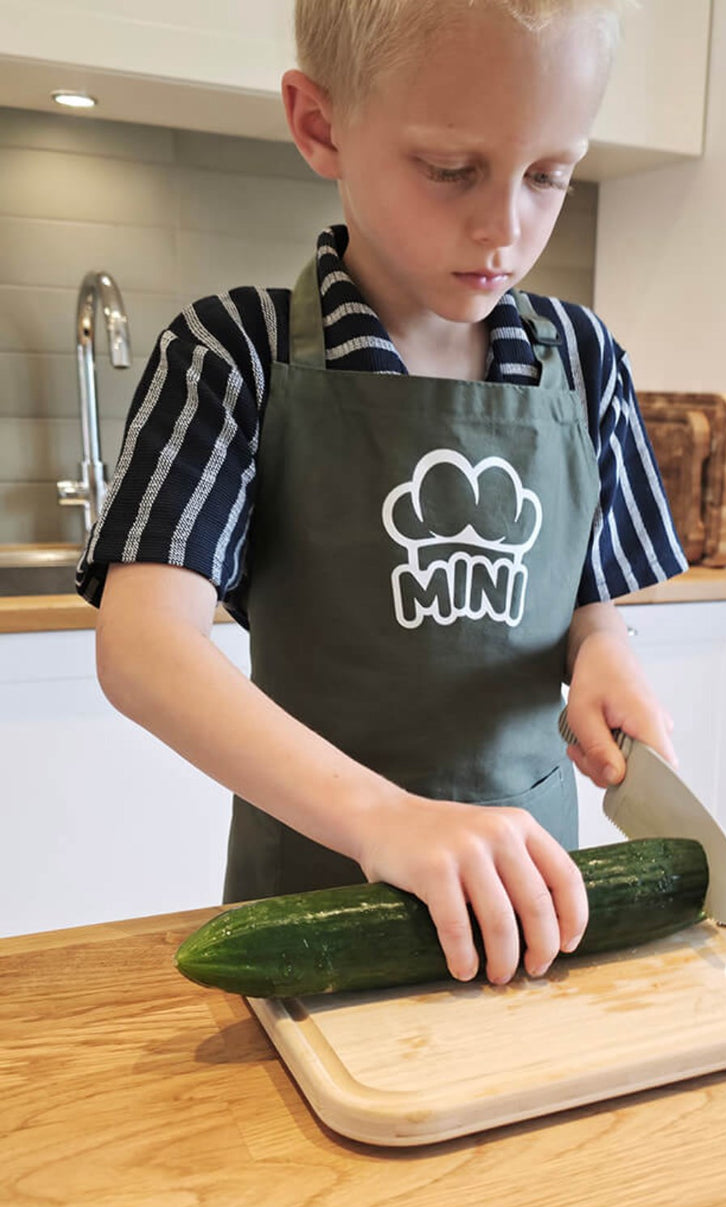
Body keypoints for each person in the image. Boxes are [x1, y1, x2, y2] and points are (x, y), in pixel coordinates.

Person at [77, 0, 686, 990]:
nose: (504, 227)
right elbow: (143, 647)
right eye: (450, 169)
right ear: (320, 125)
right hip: (320, 906)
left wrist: (600, 645)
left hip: (539, 899)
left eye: (548, 176)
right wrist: (382, 820)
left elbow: (580, 585)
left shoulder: (584, 360)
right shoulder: (232, 353)